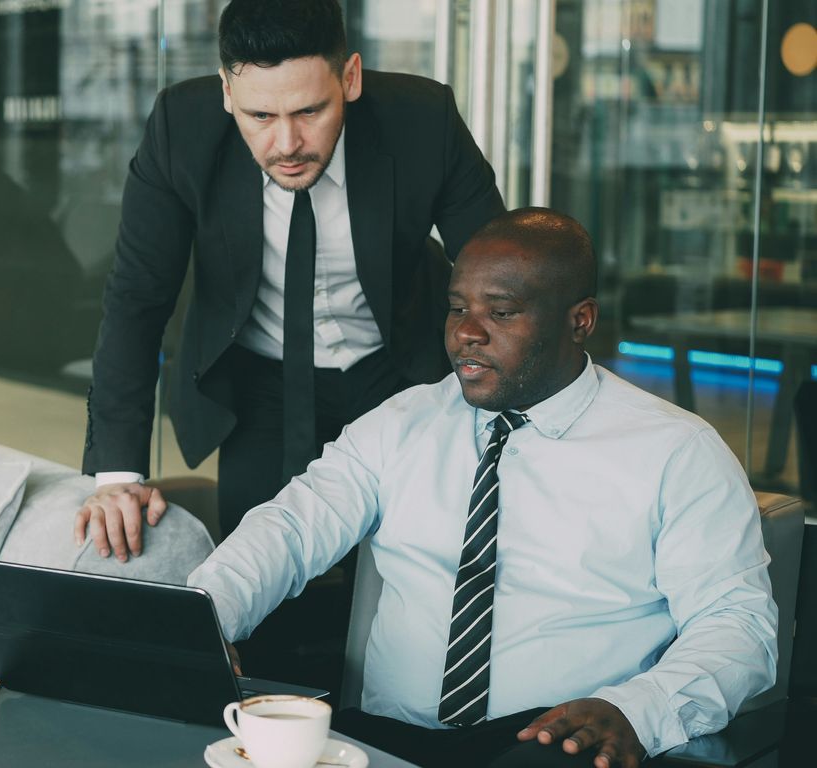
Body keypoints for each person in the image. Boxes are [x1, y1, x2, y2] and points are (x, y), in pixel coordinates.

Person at [184, 208, 778, 767]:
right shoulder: (402, 423)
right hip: (388, 738)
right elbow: (292, 527)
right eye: (457, 308)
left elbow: (737, 625)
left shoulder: (676, 452)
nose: (467, 332)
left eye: (501, 312)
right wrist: (206, 617)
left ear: (580, 320)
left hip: (552, 742)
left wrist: (637, 711)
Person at [74, 0, 504, 562]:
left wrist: (526, 419)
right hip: (261, 384)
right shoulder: (182, 128)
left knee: (410, 566)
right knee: (262, 578)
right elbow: (138, 297)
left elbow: (500, 276)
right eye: (260, 117)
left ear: (349, 78)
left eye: (309, 111)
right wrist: (117, 475)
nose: (287, 143)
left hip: (399, 369)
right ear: (228, 91)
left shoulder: (422, 119)